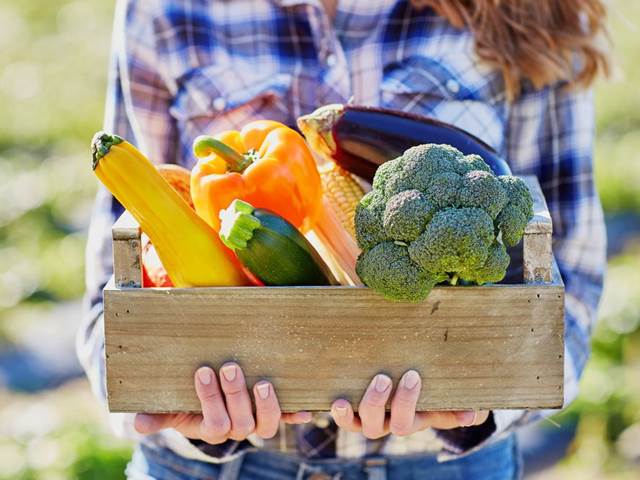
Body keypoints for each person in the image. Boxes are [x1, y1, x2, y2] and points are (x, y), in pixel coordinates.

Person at [78, 0, 610, 478]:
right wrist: (181, 410)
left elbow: (570, 272)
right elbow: (119, 275)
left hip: (442, 468)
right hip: (216, 470)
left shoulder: (532, 7)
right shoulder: (164, 10)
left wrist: (477, 404)